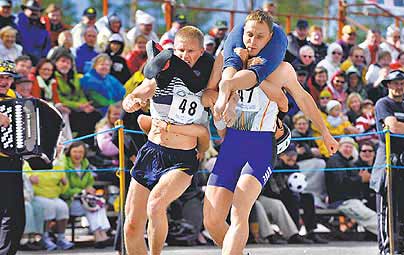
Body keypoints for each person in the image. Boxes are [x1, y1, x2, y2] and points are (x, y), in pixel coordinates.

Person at [203, 10, 338, 255]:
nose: (252, 41)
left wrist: (325, 133)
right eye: (248, 35)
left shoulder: (282, 69)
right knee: (211, 220)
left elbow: (305, 101)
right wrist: (219, 105)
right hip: (232, 144)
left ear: (270, 40)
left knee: (239, 209)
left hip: (261, 146)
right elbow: (209, 93)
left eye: (259, 37)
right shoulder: (229, 59)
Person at [122, 26, 213, 255]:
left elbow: (205, 134)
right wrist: (131, 102)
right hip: (152, 151)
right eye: (181, 50)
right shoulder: (161, 75)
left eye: (191, 51)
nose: (185, 55)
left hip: (181, 159)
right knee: (132, 224)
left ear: (201, 51)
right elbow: (134, 96)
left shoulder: (205, 83)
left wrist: (200, 148)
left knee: (156, 205)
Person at [370, 70, 404, 255]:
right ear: (388, 85)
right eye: (395, 83)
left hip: (402, 163)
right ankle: (388, 251)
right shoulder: (383, 104)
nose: (399, 87)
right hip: (387, 163)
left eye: (401, 83)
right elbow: (394, 127)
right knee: (387, 212)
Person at [62, 141, 112, 249]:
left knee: (98, 205)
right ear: (69, 152)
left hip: (84, 200)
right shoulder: (64, 164)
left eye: (80, 152)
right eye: (75, 151)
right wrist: (82, 190)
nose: (78, 155)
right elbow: (64, 190)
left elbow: (90, 182)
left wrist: (90, 188)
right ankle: (99, 237)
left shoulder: (85, 163)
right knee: (91, 207)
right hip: (70, 201)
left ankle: (102, 235)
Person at [325, 137, 378, 236]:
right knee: (369, 216)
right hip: (342, 201)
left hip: (353, 199)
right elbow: (341, 183)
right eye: (346, 146)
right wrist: (361, 179)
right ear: (339, 147)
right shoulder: (335, 161)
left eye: (350, 147)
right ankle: (389, 236)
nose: (348, 149)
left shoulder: (349, 162)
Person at [0, 60, 25, 255]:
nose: (4, 81)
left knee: (16, 215)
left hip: (13, 161)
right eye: (1, 77)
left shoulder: (15, 97)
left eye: (8, 77)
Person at [16, 0, 51, 65]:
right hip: (17, 61)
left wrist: (41, 62)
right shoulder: (17, 23)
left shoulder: (43, 28)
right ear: (25, 10)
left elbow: (46, 48)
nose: (34, 12)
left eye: (37, 10)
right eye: (31, 9)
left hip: (35, 65)